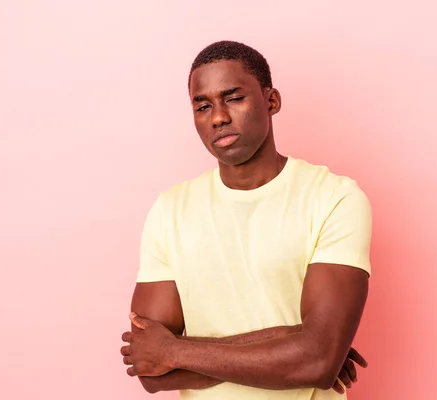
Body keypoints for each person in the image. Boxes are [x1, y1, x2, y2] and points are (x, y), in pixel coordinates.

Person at [120, 40, 373, 399]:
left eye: (234, 98)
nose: (218, 117)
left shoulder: (334, 198)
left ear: (271, 101)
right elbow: (151, 370)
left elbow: (318, 361)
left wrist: (174, 351)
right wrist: (291, 343)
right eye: (203, 105)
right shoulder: (169, 210)